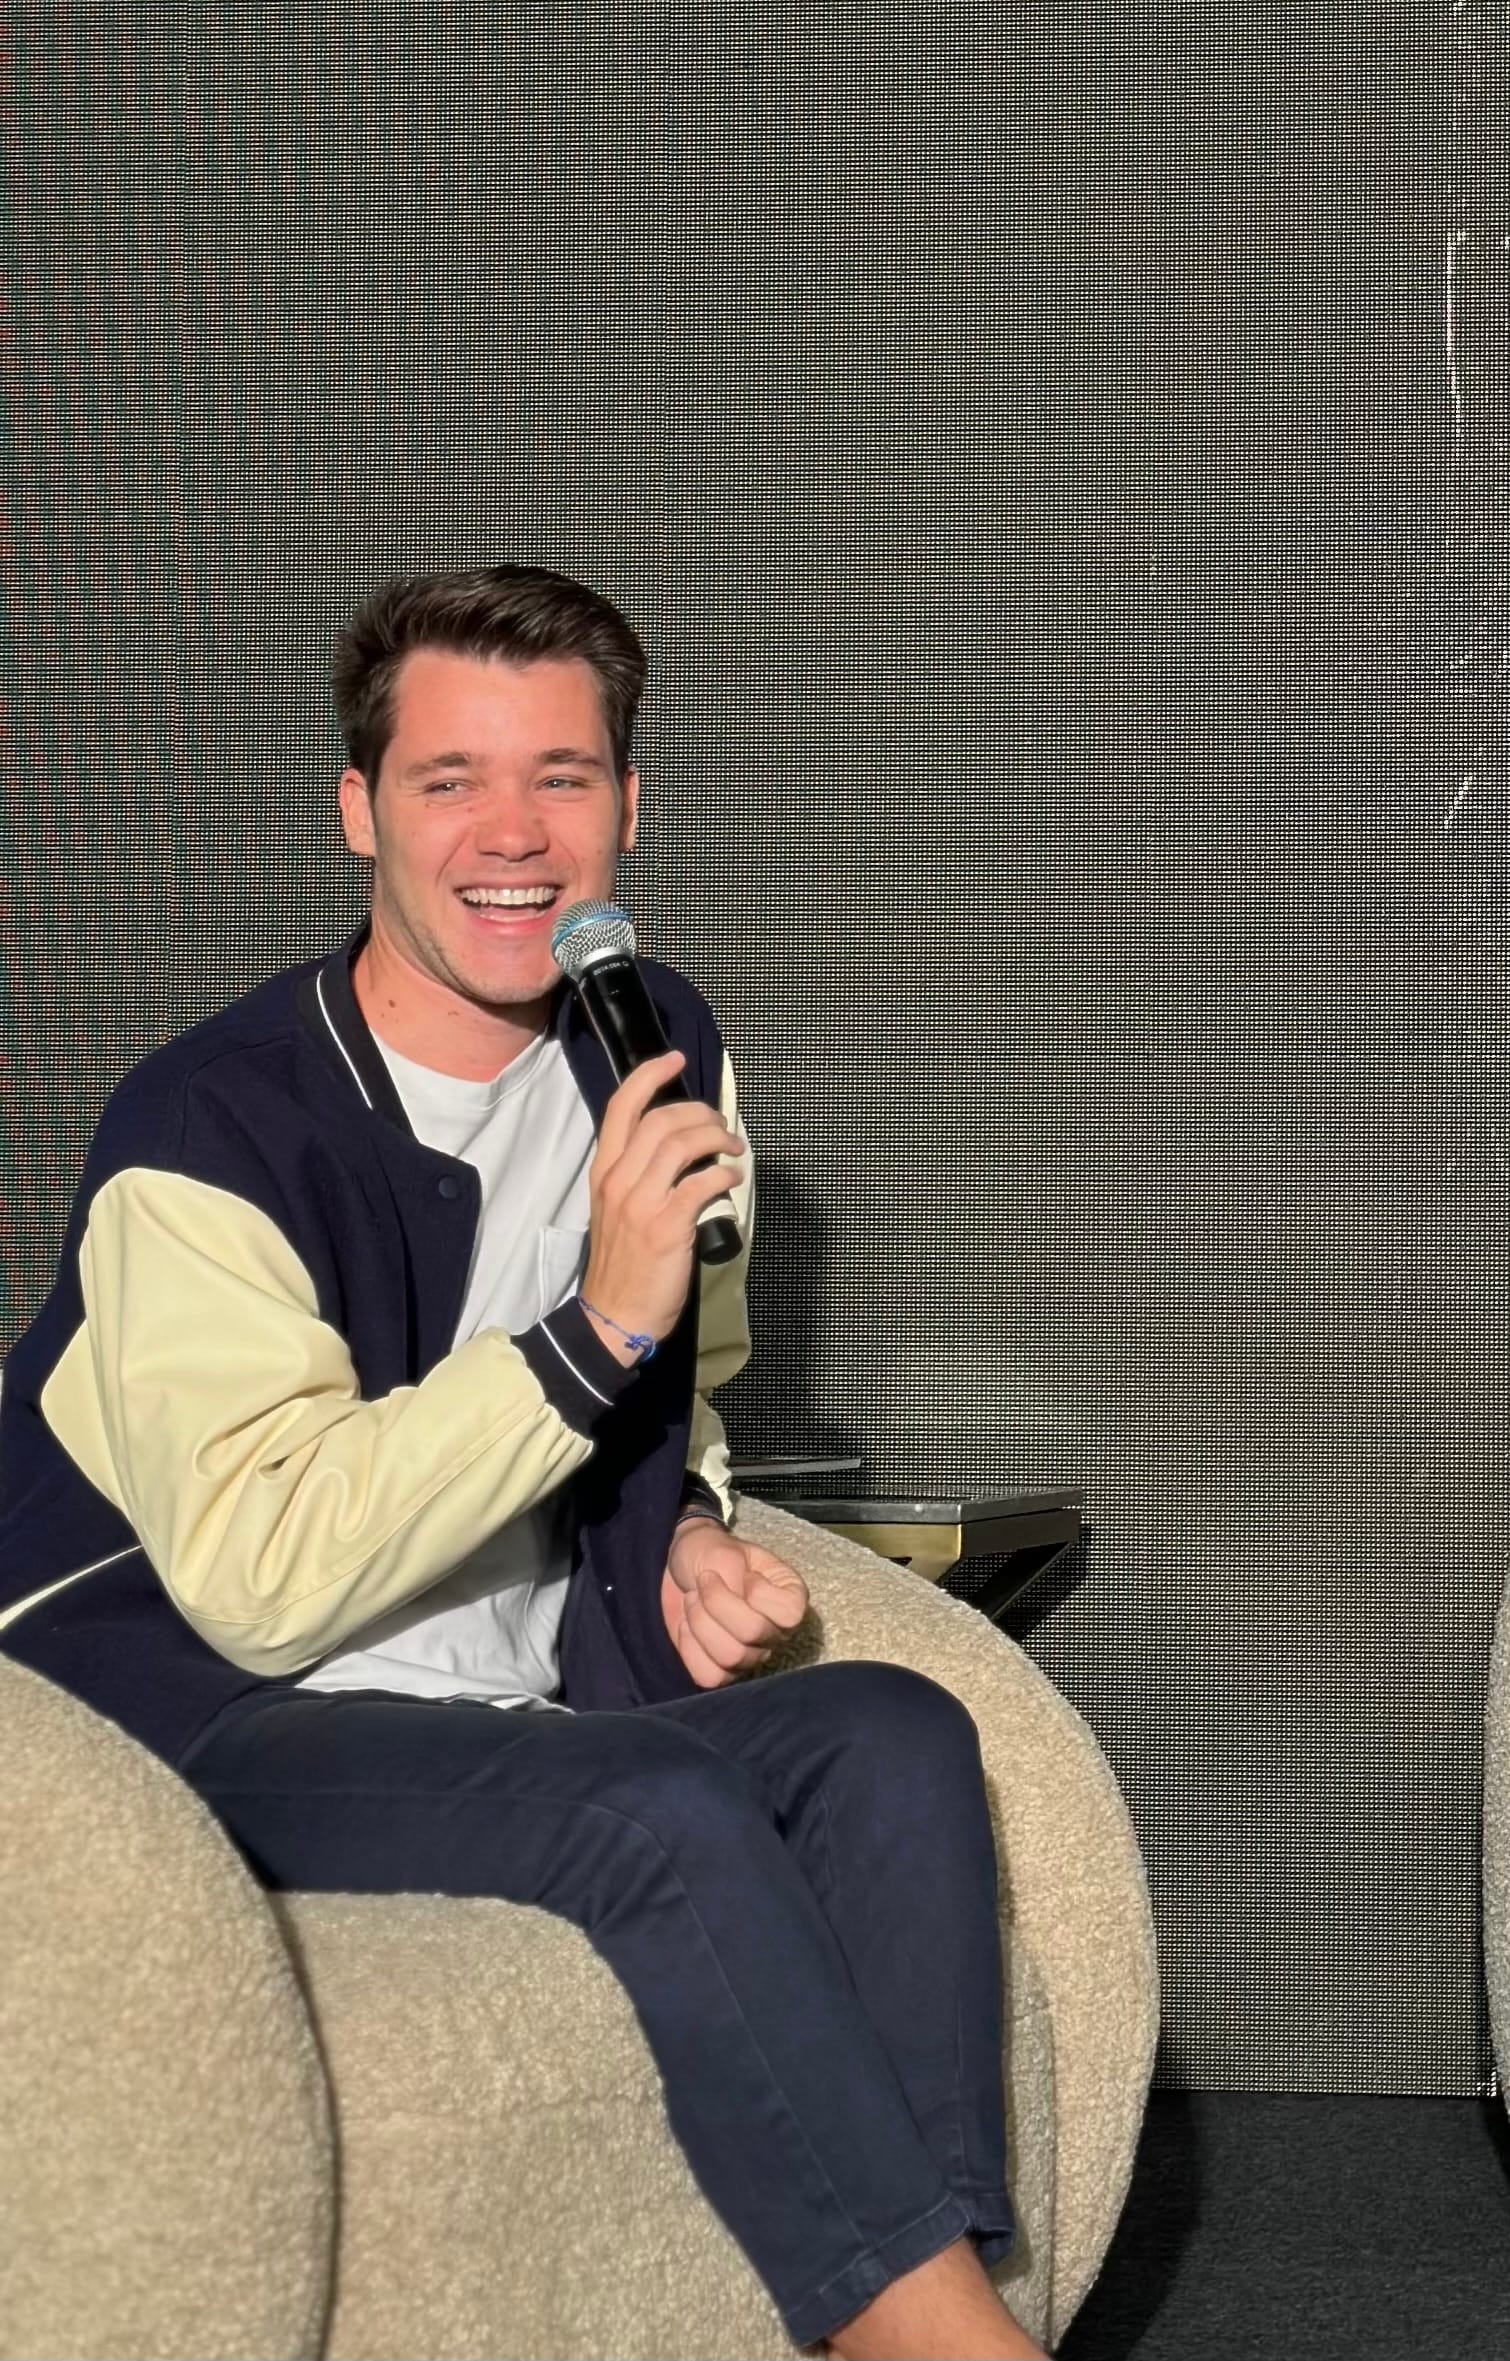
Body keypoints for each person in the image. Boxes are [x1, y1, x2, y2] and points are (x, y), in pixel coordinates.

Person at [0, 565, 1046, 2360]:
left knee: (893, 1735)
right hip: (197, 1706)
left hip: (497, 1704)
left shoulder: (659, 1038)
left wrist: (683, 1522)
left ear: (628, 804)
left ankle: (920, 2288)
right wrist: (591, 1327)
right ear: (360, 810)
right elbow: (255, 1579)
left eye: (560, 777)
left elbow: (688, 1375)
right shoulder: (207, 1123)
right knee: (659, 1811)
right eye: (449, 779)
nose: (512, 835)